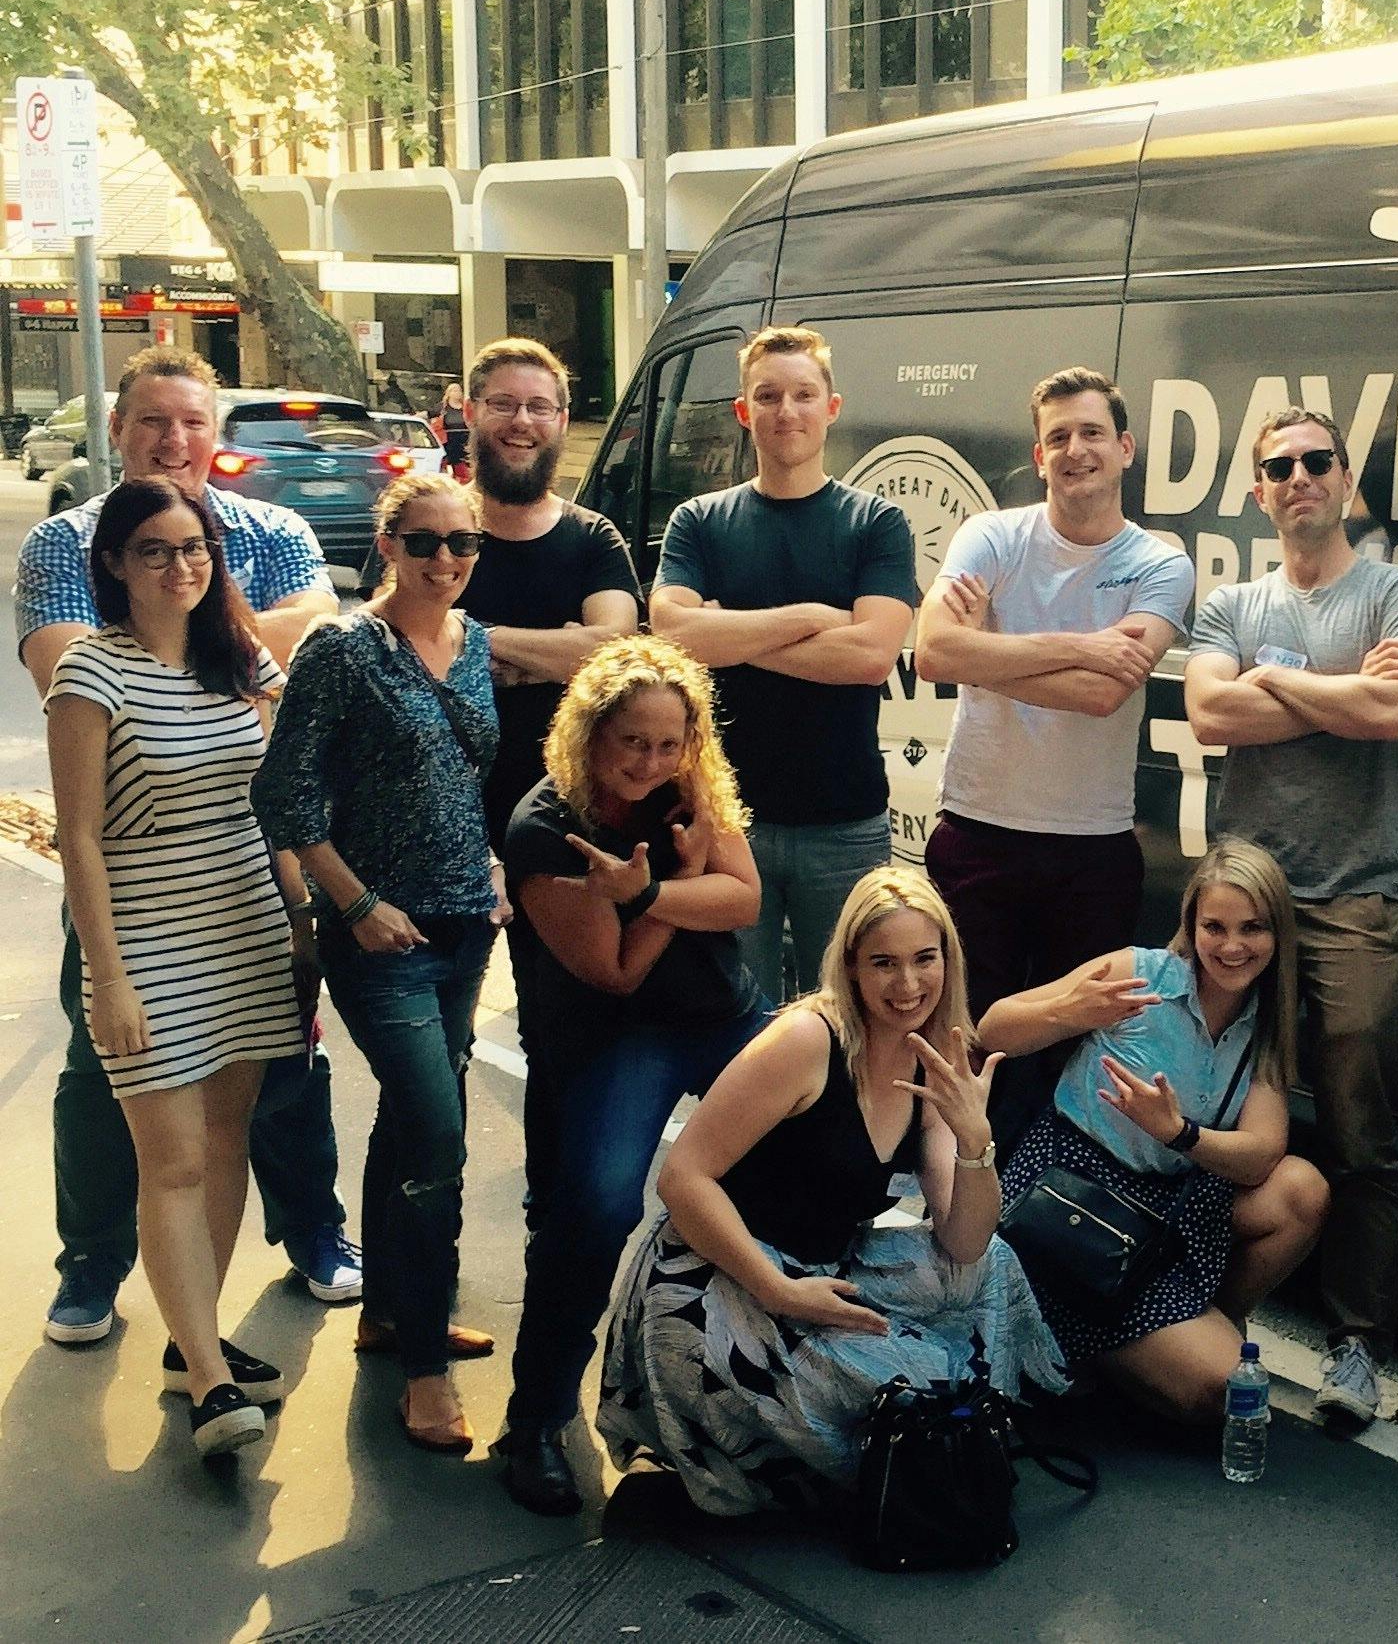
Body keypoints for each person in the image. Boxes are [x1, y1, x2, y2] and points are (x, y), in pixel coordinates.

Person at [14, 345, 357, 1350]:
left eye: (194, 422)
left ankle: (314, 1232)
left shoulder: (274, 527)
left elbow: (312, 647)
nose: (175, 439)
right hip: (134, 874)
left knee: (287, 1065)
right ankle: (93, 1264)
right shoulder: (64, 542)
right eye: (154, 420)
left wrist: (212, 621)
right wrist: (221, 629)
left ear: (217, 432)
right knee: (103, 1067)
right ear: (117, 428)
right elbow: (65, 666)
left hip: (246, 877)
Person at [597, 867, 1065, 1516]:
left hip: (828, 1260)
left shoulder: (931, 1049)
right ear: (850, 965)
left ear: (946, 961)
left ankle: (926, 1436)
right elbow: (683, 1177)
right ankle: (761, 1447)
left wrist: (973, 1141)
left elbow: (965, 1240)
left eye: (923, 959)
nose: (907, 985)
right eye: (884, 963)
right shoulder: (805, 1041)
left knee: (992, 1268)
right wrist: (777, 1289)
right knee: (908, 1393)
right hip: (718, 1279)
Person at [1182, 407, 1398, 1433]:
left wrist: (1277, 678)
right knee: (1212, 1111)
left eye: (1316, 461)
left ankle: (1357, 1345)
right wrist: (1340, 689)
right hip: (1244, 903)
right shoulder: (1233, 599)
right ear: (1259, 492)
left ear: (1347, 480)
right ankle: (1195, 1309)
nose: (1299, 477)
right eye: (1278, 466)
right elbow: (1211, 715)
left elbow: (1391, 714)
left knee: (1360, 1134)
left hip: (1358, 899)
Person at [45, 479, 308, 1459]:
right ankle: (207, 1380)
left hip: (244, 925)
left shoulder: (240, 659)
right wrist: (106, 977)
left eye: (194, 547)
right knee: (176, 1157)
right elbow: (77, 839)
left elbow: (286, 792)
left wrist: (300, 916)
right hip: (146, 940)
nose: (180, 565)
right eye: (153, 550)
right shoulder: (90, 674)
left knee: (229, 1136)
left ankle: (194, 1340)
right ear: (114, 563)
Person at [255, 473, 507, 1456]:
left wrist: (488, 865)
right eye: (427, 540)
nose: (446, 559)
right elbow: (285, 795)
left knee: (411, 1121)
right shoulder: (342, 647)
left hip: (463, 930)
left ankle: (391, 1312)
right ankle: (427, 1371)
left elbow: (467, 776)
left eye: (464, 543)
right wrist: (353, 903)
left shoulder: (475, 641)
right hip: (377, 937)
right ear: (387, 541)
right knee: (439, 1134)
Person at [491, 635, 769, 1516]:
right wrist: (672, 895)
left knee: (811, 1132)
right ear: (590, 735)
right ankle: (533, 1418)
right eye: (632, 744)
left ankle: (771, 1389)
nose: (652, 762)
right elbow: (613, 970)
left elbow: (744, 897)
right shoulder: (547, 826)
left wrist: (651, 893)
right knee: (596, 1209)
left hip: (719, 1012)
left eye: (669, 742)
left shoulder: (691, 784)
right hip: (615, 1036)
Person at [914, 366, 1195, 1146]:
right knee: (963, 1046)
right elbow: (934, 650)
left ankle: (1044, 1226)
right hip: (978, 828)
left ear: (1126, 447)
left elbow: (1107, 693)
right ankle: (960, 1226)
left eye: (1091, 433)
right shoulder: (992, 535)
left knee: (1077, 1055)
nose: (1075, 451)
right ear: (1039, 457)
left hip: (1092, 848)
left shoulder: (1160, 564)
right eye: (1058, 438)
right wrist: (1078, 646)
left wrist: (991, 649)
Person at [985, 839, 1330, 1425]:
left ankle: (1182, 1332)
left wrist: (1179, 1133)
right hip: (1073, 1192)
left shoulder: (1266, 1023)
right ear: (1191, 923)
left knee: (1302, 1189)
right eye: (1214, 926)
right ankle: (1127, 1351)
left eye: (1253, 928)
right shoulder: (1137, 973)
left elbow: (1261, 1156)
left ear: (1278, 936)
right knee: (1223, 1394)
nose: (1233, 946)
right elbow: (993, 1029)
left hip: (1168, 1199)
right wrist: (1071, 1012)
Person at [650, 327, 916, 999]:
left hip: (844, 821)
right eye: (767, 396)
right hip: (726, 817)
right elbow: (672, 632)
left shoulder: (875, 523)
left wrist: (728, 629)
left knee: (853, 1014)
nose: (785, 411)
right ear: (743, 411)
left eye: (803, 394)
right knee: (739, 1017)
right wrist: (810, 617)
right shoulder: (701, 521)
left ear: (832, 406)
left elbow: (868, 655)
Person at [444, 337, 641, 1238]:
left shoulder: (592, 538)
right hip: (440, 829)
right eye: (503, 403)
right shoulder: (437, 528)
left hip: (563, 830)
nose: (521, 421)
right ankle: (419, 1261)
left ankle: (553, 1220)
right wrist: (540, 648)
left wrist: (472, 640)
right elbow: (401, 653)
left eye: (539, 407)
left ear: (561, 423)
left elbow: (610, 655)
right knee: (434, 1053)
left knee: (562, 1039)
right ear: (469, 410)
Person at [431, 383, 471, 480]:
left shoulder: (465, 407)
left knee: (465, 464)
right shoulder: (442, 407)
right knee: (452, 462)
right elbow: (429, 415)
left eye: (459, 390)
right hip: (449, 440)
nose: (457, 393)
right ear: (448, 393)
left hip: (465, 439)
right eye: (454, 390)